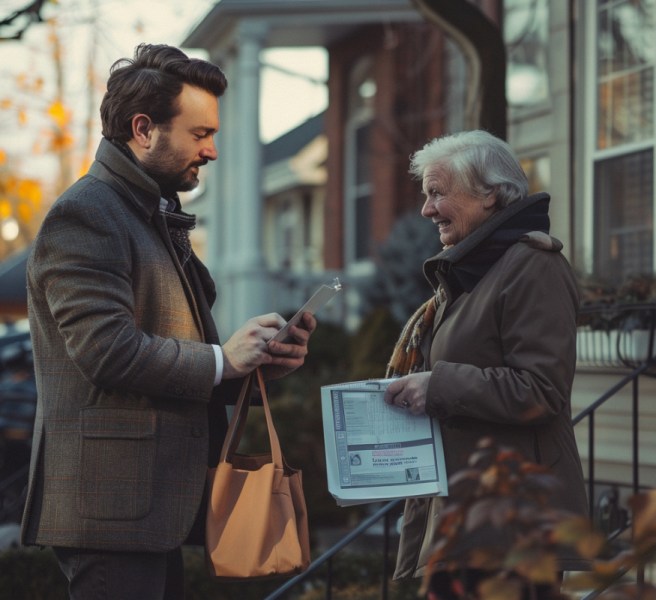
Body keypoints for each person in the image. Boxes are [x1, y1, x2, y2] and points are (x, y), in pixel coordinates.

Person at [21, 44, 316, 599]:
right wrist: (219, 358)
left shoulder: (144, 211)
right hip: (111, 512)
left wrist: (252, 367)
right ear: (143, 129)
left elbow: (169, 356)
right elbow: (106, 351)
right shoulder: (88, 213)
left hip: (148, 510)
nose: (212, 150)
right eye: (200, 133)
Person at [383, 130, 589, 599]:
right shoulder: (475, 271)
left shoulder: (534, 265)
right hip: (468, 518)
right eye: (426, 195)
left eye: (438, 193)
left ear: (491, 193)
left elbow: (540, 389)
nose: (426, 209)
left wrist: (436, 386)